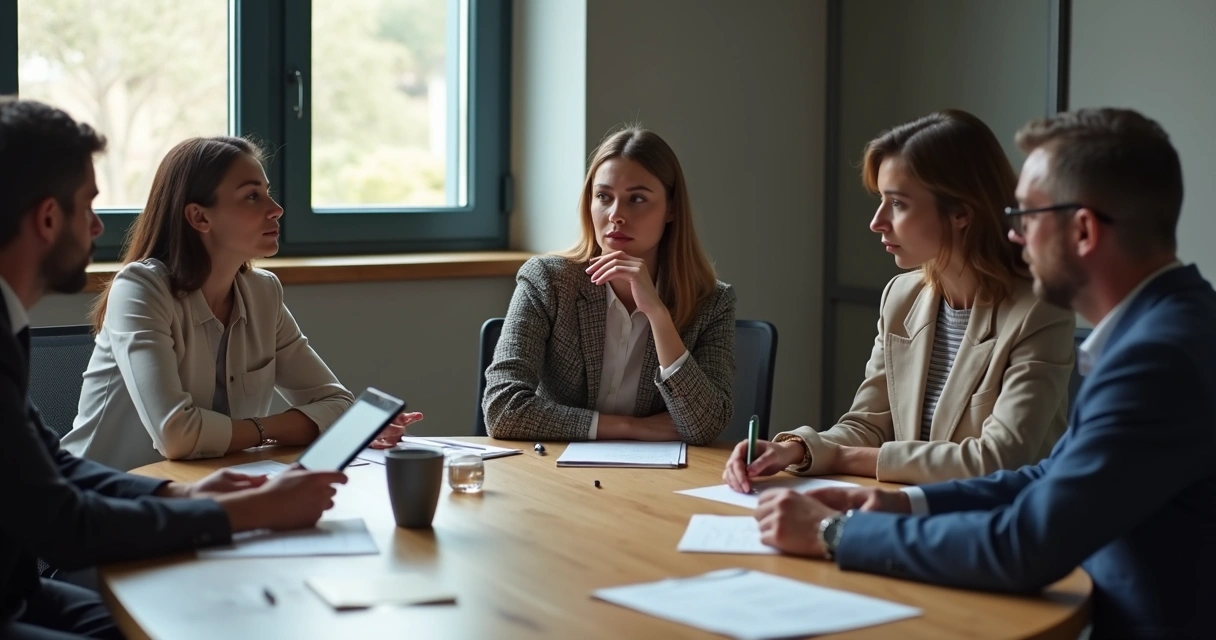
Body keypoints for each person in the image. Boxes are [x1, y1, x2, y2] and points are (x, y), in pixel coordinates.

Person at [752, 108, 1215, 638]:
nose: (1014, 234)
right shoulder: (1163, 329)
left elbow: (1024, 546)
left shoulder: (1157, 360)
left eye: (1029, 215)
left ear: (1083, 229)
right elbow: (1047, 476)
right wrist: (899, 501)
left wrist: (838, 534)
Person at [0, 97, 350, 639]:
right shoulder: (139, 288)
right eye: (87, 206)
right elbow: (67, 520)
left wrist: (183, 494)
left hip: (23, 585)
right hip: (61, 565)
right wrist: (246, 510)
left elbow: (50, 464)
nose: (97, 227)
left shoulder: (7, 323)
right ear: (48, 218)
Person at [724, 110, 1074, 486]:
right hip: (909, 512)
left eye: (899, 203)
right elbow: (866, 425)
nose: (876, 221)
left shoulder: (1039, 310)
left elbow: (997, 459)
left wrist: (840, 456)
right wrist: (797, 449)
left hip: (995, 526)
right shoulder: (901, 296)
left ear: (961, 213)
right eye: (880, 200)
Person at [60, 136, 421, 471]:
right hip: (98, 503)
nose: (276, 209)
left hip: (207, 490)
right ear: (200, 217)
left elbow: (338, 405)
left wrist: (241, 432)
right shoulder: (140, 288)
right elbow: (176, 435)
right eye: (252, 196)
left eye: (267, 193)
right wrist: (273, 430)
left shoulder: (263, 292)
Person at [483, 125, 735, 444]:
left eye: (637, 199)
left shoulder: (711, 302)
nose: (616, 215)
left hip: (658, 481)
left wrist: (658, 314)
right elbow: (502, 410)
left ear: (671, 209)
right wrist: (632, 428)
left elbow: (706, 425)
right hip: (556, 474)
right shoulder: (548, 281)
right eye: (604, 196)